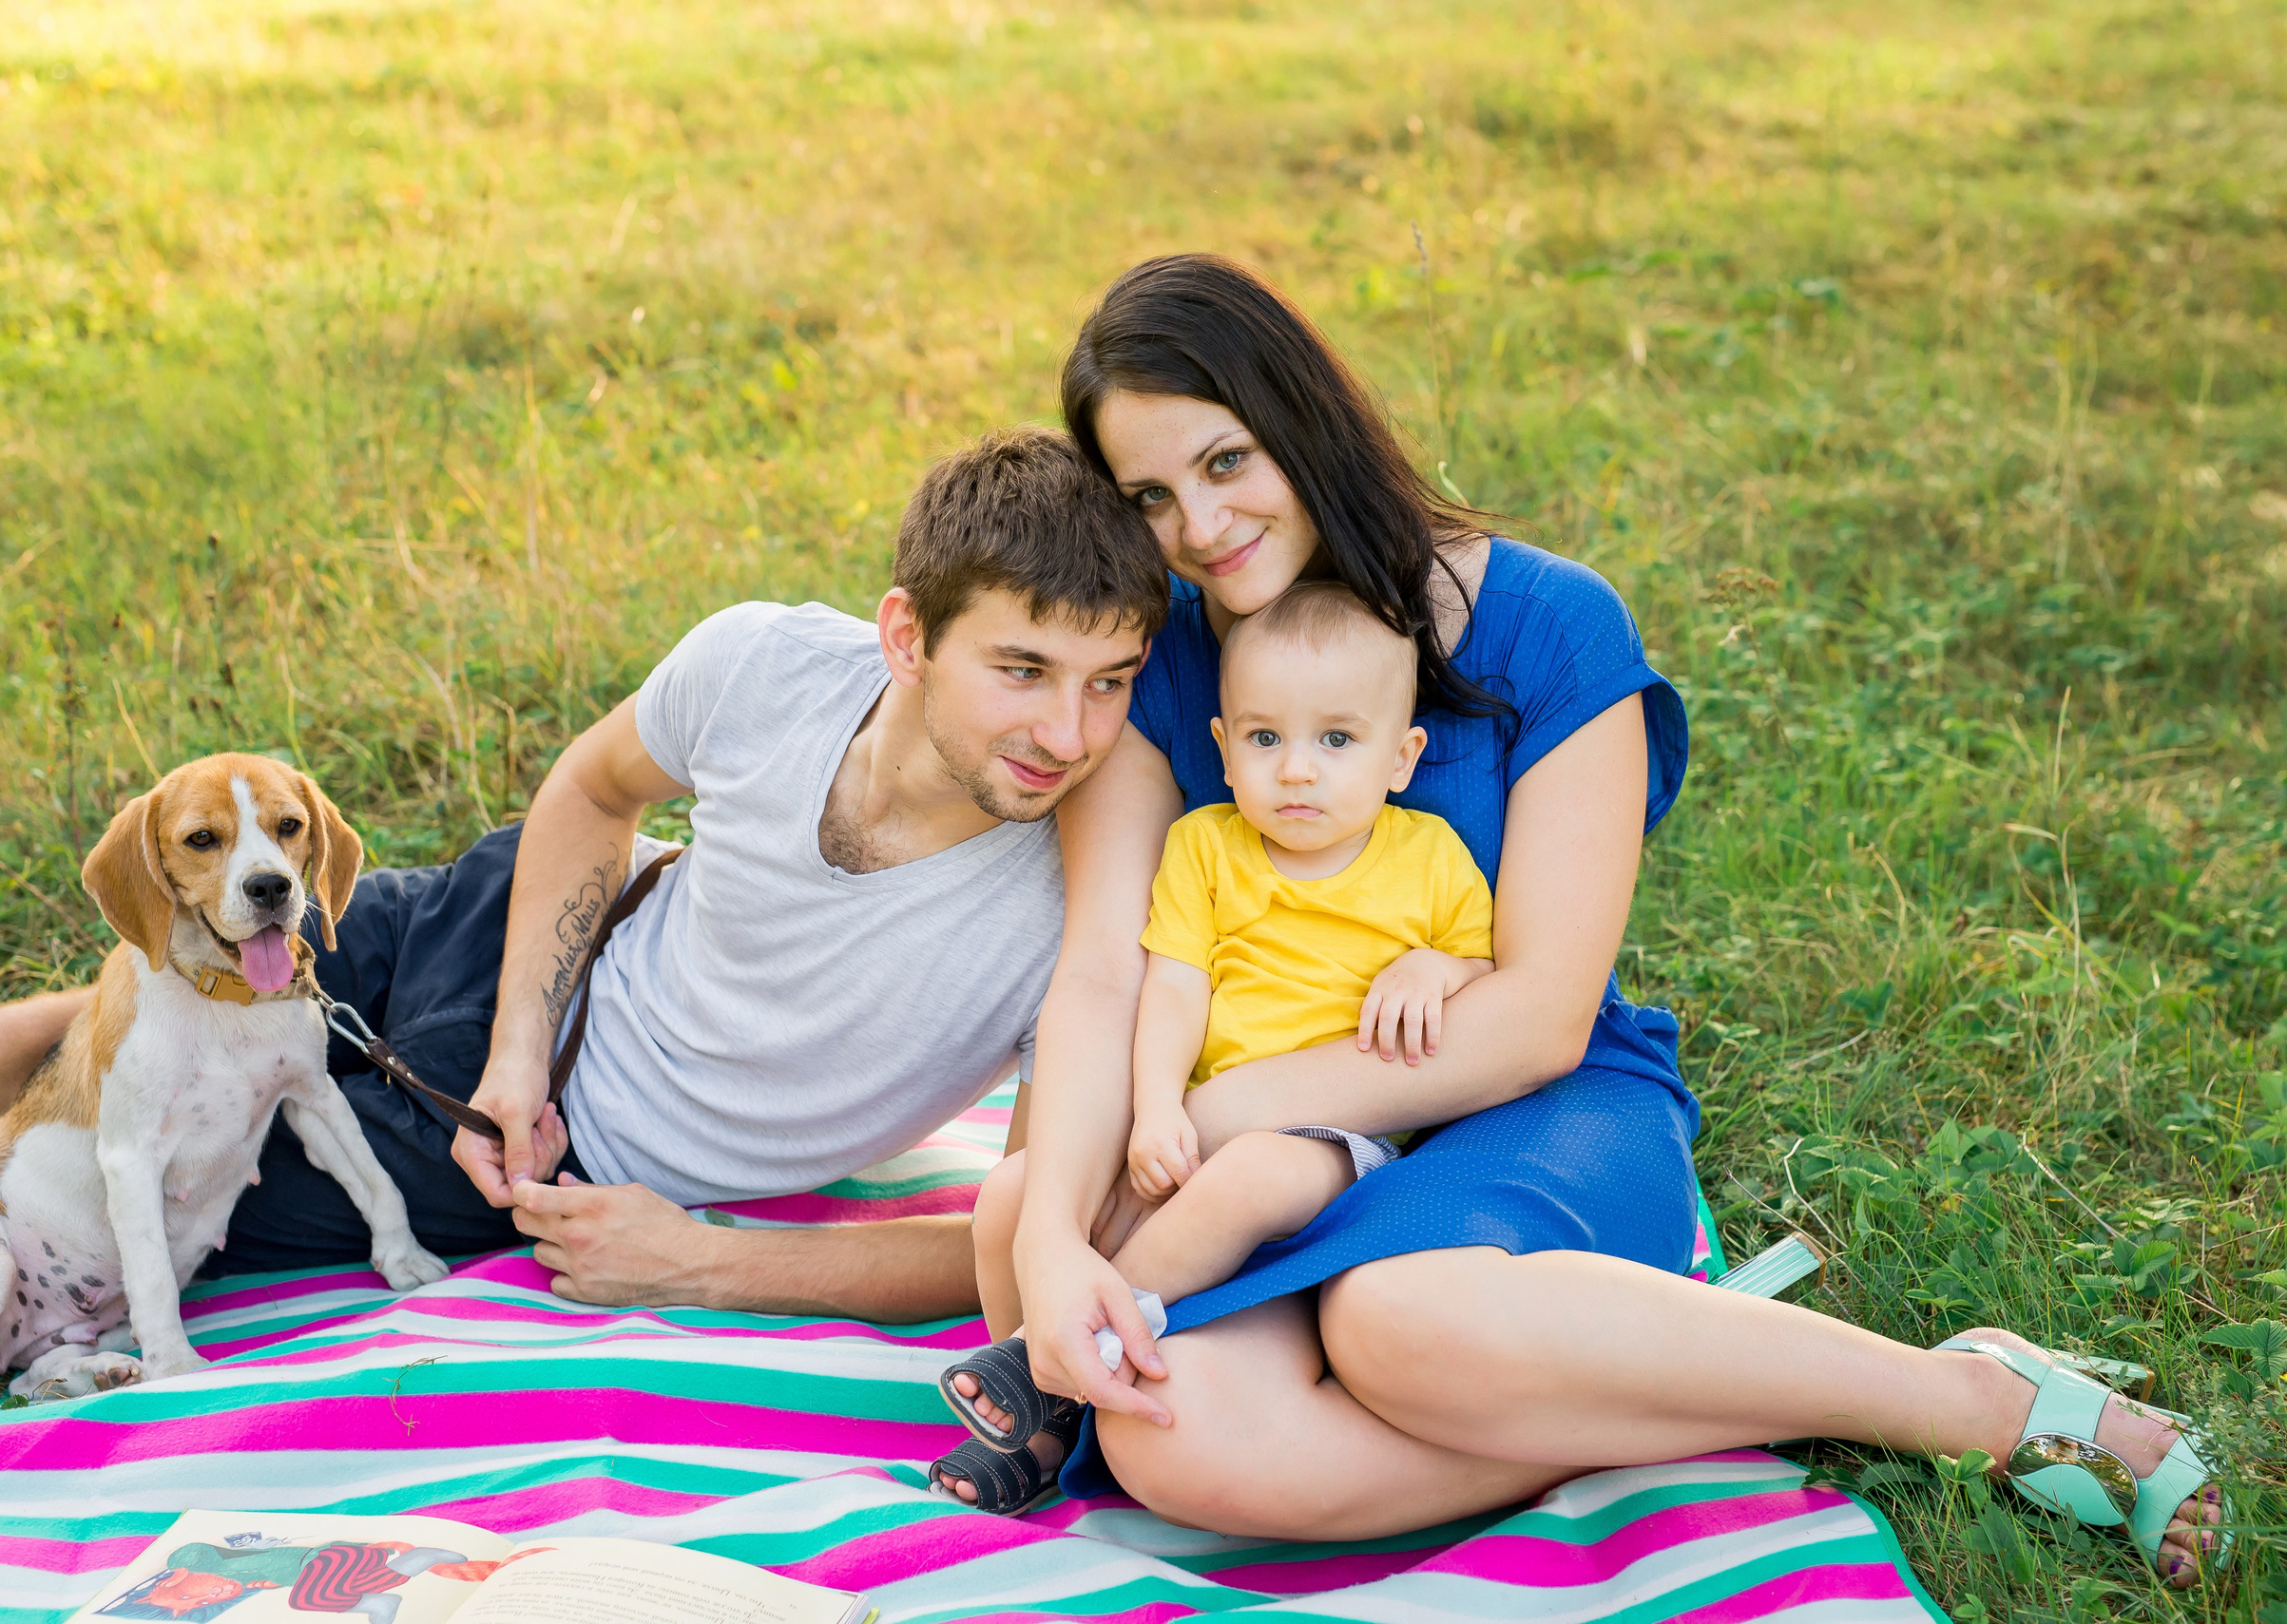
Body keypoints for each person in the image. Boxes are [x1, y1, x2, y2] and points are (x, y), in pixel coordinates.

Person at [941, 255, 2229, 1588]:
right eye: (1149, 496)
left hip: (1520, 1100)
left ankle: (1964, 1402)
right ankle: (1670, 1390)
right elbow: (1102, 974)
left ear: (1301, 418)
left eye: (1225, 462)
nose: (1199, 528)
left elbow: (1539, 1015)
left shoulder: (1550, 622)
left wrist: (1215, 1121)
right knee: (1177, 1443)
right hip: (1261, 1162)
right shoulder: (1163, 664)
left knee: (1397, 1319)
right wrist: (1046, 1232)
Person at [0, 426, 1168, 1328]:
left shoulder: (1097, 899)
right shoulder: (768, 661)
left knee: (65, 1208)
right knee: (53, 1041)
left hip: (538, 1152)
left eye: (1110, 684)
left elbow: (1017, 1241)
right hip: (504, 932)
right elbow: (597, 791)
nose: (1068, 734)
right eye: (1024, 672)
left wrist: (709, 1262)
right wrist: (521, 1045)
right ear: (908, 637)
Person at [930, 583, 1494, 1510]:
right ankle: (1044, 1434)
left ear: (1401, 758)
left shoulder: (1427, 856)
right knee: (1009, 1193)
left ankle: (1053, 1357)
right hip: (1197, 1114)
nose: (1298, 770)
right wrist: (1153, 1106)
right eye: (1266, 739)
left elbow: (1481, 968)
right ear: (1226, 748)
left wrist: (1437, 968)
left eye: (1336, 740)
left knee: (1251, 1180)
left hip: (1338, 1138)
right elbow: (1174, 985)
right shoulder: (1205, 847)